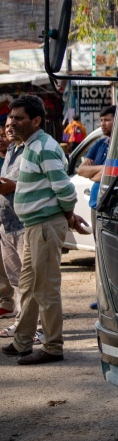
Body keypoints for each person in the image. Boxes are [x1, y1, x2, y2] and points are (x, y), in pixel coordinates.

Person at [0, 96, 89, 365]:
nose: (12, 123)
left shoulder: (44, 148)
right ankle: (22, 341)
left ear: (36, 120)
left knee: (45, 288)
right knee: (27, 286)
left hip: (44, 226)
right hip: (34, 226)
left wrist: (68, 215)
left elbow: (64, 189)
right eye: (11, 118)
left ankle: (52, 346)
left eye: (19, 118)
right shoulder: (28, 146)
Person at [76, 104, 115, 231]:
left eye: (107, 120)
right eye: (101, 120)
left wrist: (95, 172)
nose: (102, 124)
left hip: (110, 205)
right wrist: (103, 169)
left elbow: (114, 172)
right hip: (95, 204)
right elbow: (81, 170)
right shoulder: (100, 144)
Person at [0, 120, 18, 320]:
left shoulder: (18, 158)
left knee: (22, 274)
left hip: (18, 222)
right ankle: (5, 302)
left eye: (3, 134)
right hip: (4, 220)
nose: (0, 139)